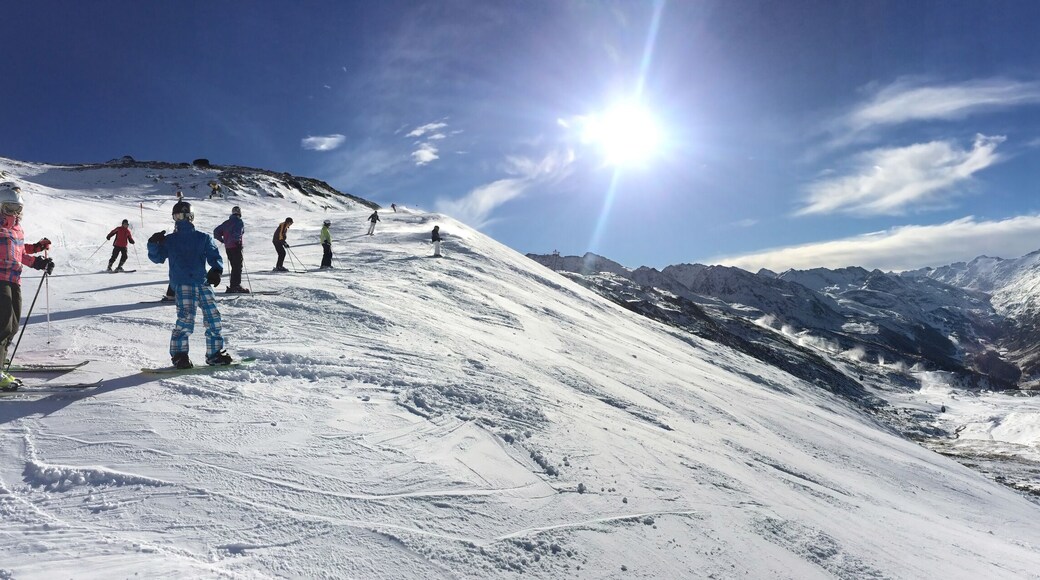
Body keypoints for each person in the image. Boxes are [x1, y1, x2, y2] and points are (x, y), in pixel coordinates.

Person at [147, 200, 232, 369]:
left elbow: (213, 255)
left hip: (202, 282)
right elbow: (157, 258)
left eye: (186, 216)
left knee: (213, 318)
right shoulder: (169, 240)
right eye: (179, 216)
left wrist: (216, 270)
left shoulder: (203, 237)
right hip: (183, 282)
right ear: (174, 218)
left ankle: (214, 354)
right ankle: (180, 355)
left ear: (192, 217)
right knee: (186, 319)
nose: (182, 219)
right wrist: (153, 244)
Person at [0, 182, 55, 390]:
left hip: (14, 280)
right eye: (9, 208)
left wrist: (39, 260)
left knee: (12, 326)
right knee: (2, 324)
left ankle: (1, 359)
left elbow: (20, 252)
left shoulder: (17, 229)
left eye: (17, 209)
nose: (14, 213)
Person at [213, 206, 248, 292]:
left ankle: (233, 285)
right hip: (236, 246)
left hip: (228, 248)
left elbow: (216, 231)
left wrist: (223, 240)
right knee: (238, 266)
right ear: (239, 213)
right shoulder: (239, 222)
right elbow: (238, 232)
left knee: (234, 266)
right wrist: (237, 242)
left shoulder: (226, 223)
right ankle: (236, 286)